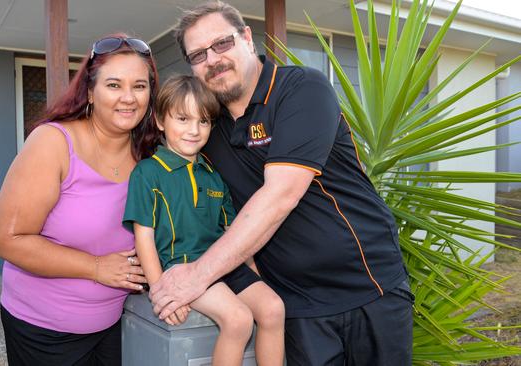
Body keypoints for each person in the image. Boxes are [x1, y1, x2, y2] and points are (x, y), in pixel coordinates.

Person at [149, 2, 414, 366]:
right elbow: (158, 177)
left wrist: (197, 276)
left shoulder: (301, 89)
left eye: (221, 44)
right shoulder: (206, 129)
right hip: (297, 304)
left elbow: (280, 195)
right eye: (198, 54)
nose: (212, 60)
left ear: (246, 37)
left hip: (368, 288)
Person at [0, 34, 162, 365]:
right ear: (89, 92)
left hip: (116, 324)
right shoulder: (53, 142)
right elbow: (5, 239)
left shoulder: (150, 154)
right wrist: (96, 267)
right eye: (114, 85)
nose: (128, 98)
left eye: (139, 86)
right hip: (44, 332)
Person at [123, 75, 285, 366]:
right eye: (183, 119)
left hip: (222, 263)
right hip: (182, 267)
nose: (194, 130)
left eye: (204, 121)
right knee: (238, 319)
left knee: (273, 308)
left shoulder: (213, 174)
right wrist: (161, 292)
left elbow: (234, 234)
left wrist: (255, 276)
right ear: (160, 120)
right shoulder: (147, 173)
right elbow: (143, 238)